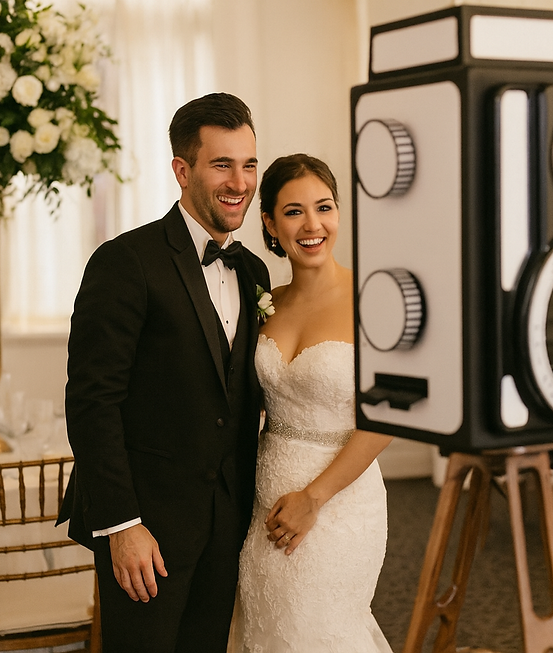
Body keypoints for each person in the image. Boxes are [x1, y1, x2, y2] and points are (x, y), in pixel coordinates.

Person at [58, 92, 271, 653]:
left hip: (226, 525)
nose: (240, 182)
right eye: (221, 164)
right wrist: (122, 525)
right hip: (145, 531)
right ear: (182, 169)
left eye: (249, 164)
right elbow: (91, 403)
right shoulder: (125, 262)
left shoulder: (253, 271)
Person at [232, 154, 393, 652]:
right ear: (270, 224)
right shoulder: (263, 301)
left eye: (324, 207)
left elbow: (386, 416)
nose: (313, 225)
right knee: (265, 630)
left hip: (340, 506)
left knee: (319, 631)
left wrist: (313, 499)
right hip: (263, 503)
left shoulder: (375, 297)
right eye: (294, 211)